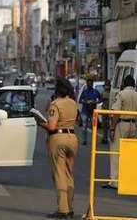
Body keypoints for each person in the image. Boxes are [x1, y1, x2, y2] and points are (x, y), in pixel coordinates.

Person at [38, 78, 78, 219]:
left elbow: (52, 127)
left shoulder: (55, 105)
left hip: (58, 139)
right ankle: (70, 207)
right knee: (68, 174)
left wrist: (40, 122)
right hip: (72, 138)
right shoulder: (73, 103)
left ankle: (63, 210)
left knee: (59, 174)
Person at [102, 75, 137, 189]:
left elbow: (116, 113)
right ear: (134, 84)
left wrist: (112, 128)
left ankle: (115, 181)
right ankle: (128, 179)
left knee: (116, 152)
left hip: (121, 124)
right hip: (133, 125)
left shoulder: (121, 94)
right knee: (129, 153)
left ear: (124, 84)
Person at [79, 79, 102, 145]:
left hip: (93, 111)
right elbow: (80, 100)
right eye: (88, 83)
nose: (90, 85)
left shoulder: (95, 91)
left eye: (91, 83)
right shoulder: (84, 92)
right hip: (85, 111)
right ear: (87, 84)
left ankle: (94, 141)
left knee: (94, 127)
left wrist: (94, 102)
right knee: (84, 126)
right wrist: (86, 102)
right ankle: (84, 140)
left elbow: (100, 100)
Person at [100, 80, 111, 144]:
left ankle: (109, 137)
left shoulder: (112, 92)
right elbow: (100, 100)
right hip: (104, 110)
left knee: (110, 124)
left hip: (110, 110)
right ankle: (104, 138)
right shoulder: (102, 92)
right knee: (104, 125)